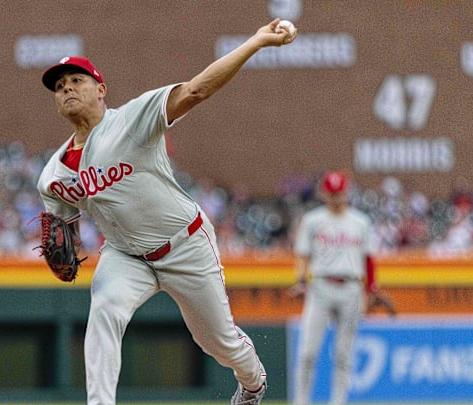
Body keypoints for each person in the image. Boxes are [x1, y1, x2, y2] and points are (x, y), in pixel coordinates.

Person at [36, 19, 297, 405]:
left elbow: (195, 90)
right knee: (104, 309)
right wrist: (63, 249)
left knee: (216, 342)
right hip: (126, 255)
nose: (67, 88)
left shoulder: (131, 119)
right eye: (59, 87)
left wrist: (256, 41)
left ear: (101, 90)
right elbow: (64, 232)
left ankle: (253, 381)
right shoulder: (53, 175)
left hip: (185, 242)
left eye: (77, 80)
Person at [289, 171, 385, 405]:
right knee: (307, 353)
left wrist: (371, 290)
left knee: (344, 355)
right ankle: (301, 402)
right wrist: (301, 280)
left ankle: (338, 402)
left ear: (346, 192)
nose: (336, 198)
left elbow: (368, 258)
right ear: (324, 193)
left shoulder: (360, 221)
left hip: (351, 287)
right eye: (332, 194)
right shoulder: (312, 220)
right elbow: (302, 255)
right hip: (320, 285)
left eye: (339, 193)